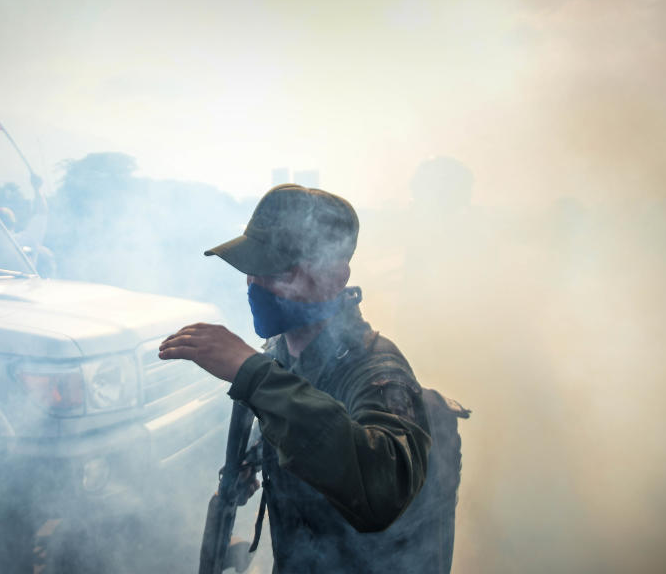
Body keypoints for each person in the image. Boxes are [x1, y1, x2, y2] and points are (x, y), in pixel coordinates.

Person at [160, 184, 465, 573]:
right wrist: (255, 456)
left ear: (335, 275)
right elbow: (302, 407)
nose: (255, 283)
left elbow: (382, 489)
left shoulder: (377, 370)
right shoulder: (280, 354)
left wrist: (252, 373)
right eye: (252, 267)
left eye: (277, 270)